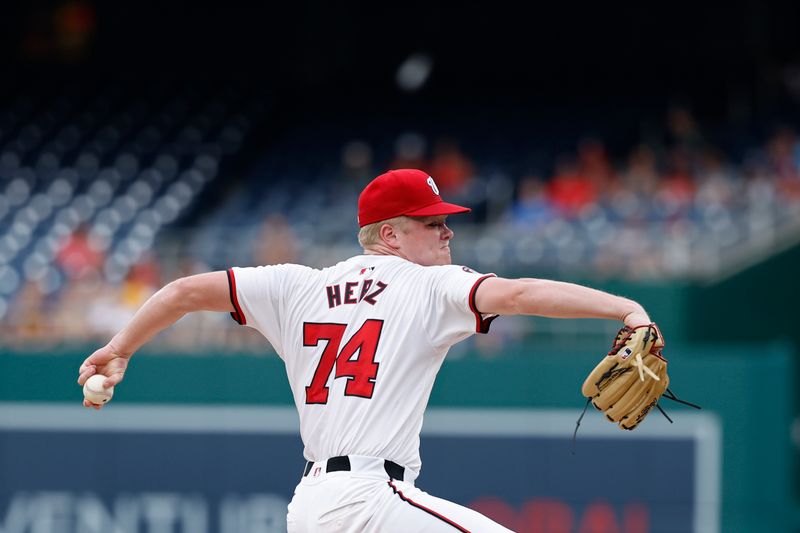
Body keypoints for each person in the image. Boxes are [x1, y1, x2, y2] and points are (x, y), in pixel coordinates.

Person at [77, 168, 654, 532]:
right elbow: (523, 292)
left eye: (445, 222)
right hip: (369, 502)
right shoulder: (430, 286)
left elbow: (181, 292)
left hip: (309, 508)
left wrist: (119, 347)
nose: (447, 232)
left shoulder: (295, 285)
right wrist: (625, 308)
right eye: (431, 223)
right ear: (389, 235)